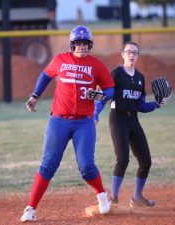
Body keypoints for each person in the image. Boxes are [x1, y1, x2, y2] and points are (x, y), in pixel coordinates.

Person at [20, 25, 115, 222]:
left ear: (91, 45)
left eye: (85, 43)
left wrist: (101, 96)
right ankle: (31, 208)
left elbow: (110, 89)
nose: (82, 46)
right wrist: (35, 96)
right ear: (72, 45)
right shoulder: (60, 60)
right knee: (47, 166)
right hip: (59, 121)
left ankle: (102, 195)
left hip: (84, 122)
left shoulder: (96, 65)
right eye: (78, 43)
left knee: (87, 167)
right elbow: (45, 75)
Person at [94, 41, 168, 208]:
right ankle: (113, 197)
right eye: (128, 52)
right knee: (123, 159)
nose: (131, 55)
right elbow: (104, 96)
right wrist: (95, 113)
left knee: (146, 161)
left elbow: (140, 105)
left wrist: (156, 104)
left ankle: (137, 198)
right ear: (122, 54)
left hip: (133, 120)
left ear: (137, 56)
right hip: (117, 119)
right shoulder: (116, 74)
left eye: (135, 52)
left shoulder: (140, 78)